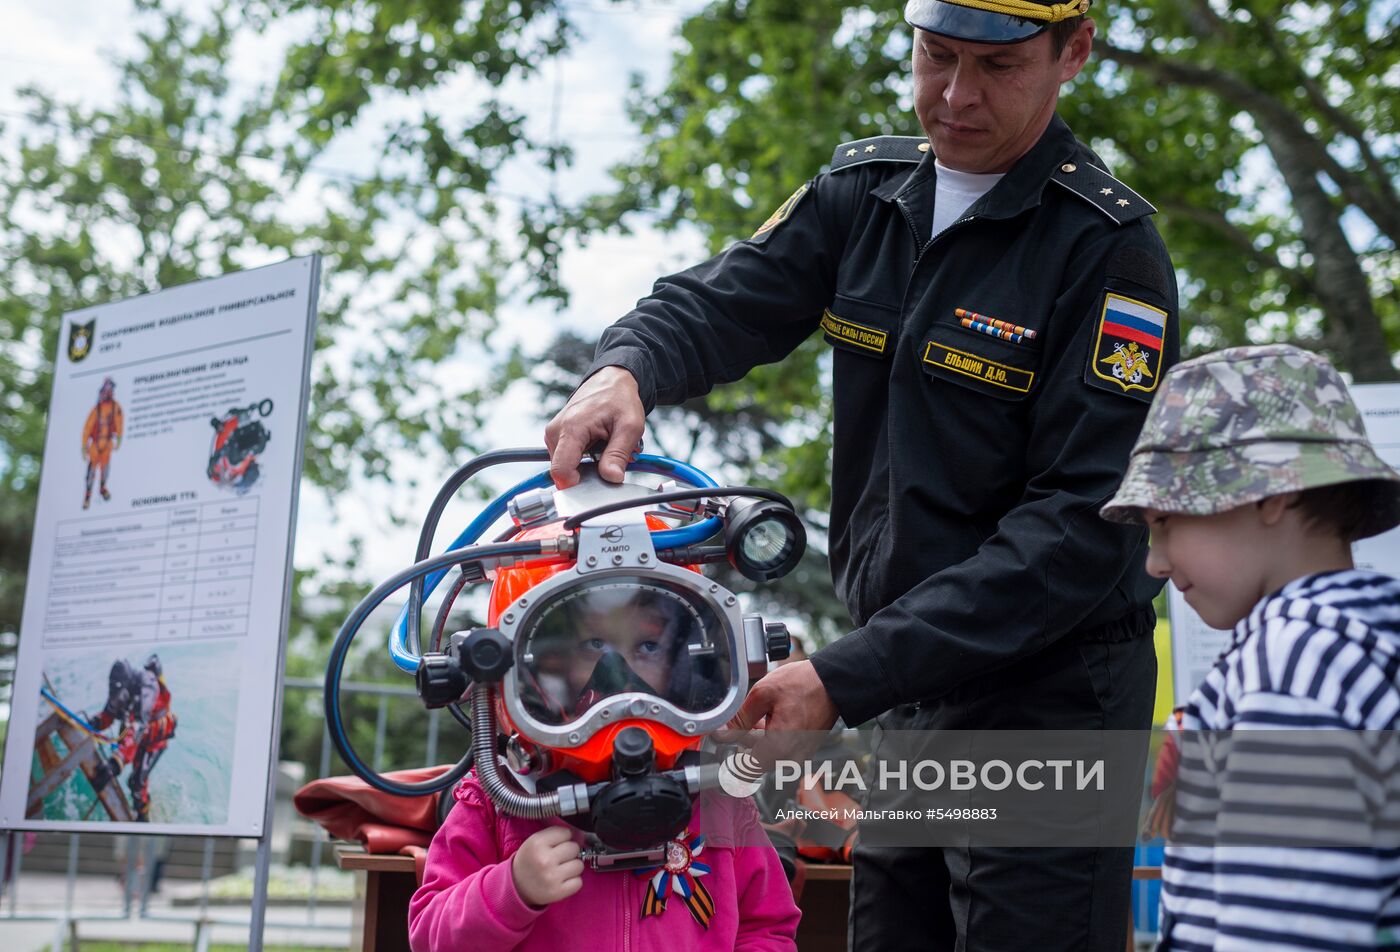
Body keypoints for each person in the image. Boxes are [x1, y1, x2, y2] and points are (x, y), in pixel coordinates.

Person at [545, 0, 1178, 946]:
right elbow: (717, 305)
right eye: (937, 57)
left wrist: (841, 678)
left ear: (1072, 52)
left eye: (997, 68)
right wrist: (624, 367)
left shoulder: (1109, 250)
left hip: (1051, 702)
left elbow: (1077, 535)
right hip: (906, 687)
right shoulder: (865, 194)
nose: (956, 96)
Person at [1100, 344, 1400, 951]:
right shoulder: (1361, 637)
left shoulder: (1292, 664)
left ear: (1272, 494)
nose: (1154, 563)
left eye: (1165, 523)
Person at [89, 653, 177, 821]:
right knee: (134, 779)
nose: (118, 700)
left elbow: (138, 727)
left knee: (137, 783)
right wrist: (95, 722)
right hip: (135, 734)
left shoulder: (147, 686)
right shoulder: (119, 690)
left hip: (154, 738)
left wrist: (116, 762)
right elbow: (109, 713)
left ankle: (143, 819)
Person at [82, 377, 124, 509]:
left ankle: (102, 488)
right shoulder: (97, 409)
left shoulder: (116, 407)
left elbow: (119, 424)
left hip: (107, 445)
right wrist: (84, 446)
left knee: (105, 470)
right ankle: (87, 496)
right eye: (107, 389)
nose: (109, 392)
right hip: (95, 446)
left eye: (111, 389)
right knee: (91, 472)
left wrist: (119, 439)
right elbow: (88, 427)